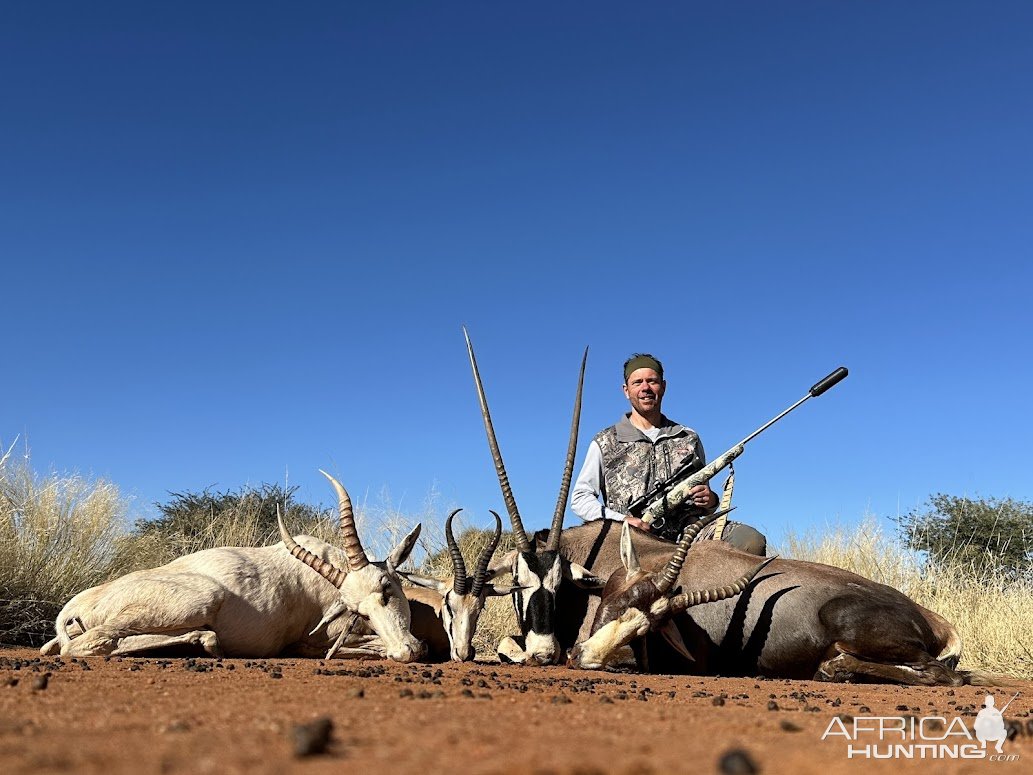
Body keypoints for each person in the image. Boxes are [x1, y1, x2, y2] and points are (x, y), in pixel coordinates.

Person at [571, 352, 766, 555]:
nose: (645, 388)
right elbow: (580, 499)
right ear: (626, 390)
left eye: (652, 381)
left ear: (663, 387)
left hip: (688, 535)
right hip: (630, 540)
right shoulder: (605, 441)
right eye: (637, 382)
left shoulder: (688, 437)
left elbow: (704, 500)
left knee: (750, 541)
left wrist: (710, 501)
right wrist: (623, 521)